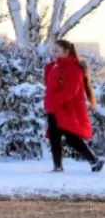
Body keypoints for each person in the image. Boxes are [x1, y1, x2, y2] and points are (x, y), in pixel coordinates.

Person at [44, 39, 104, 173]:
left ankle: (94, 161)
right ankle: (58, 166)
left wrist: (55, 101)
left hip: (67, 109)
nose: (54, 53)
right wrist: (50, 68)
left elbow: (71, 90)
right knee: (54, 138)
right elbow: (49, 86)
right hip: (54, 108)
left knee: (71, 138)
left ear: (66, 52)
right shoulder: (56, 67)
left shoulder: (74, 68)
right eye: (53, 50)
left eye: (57, 51)